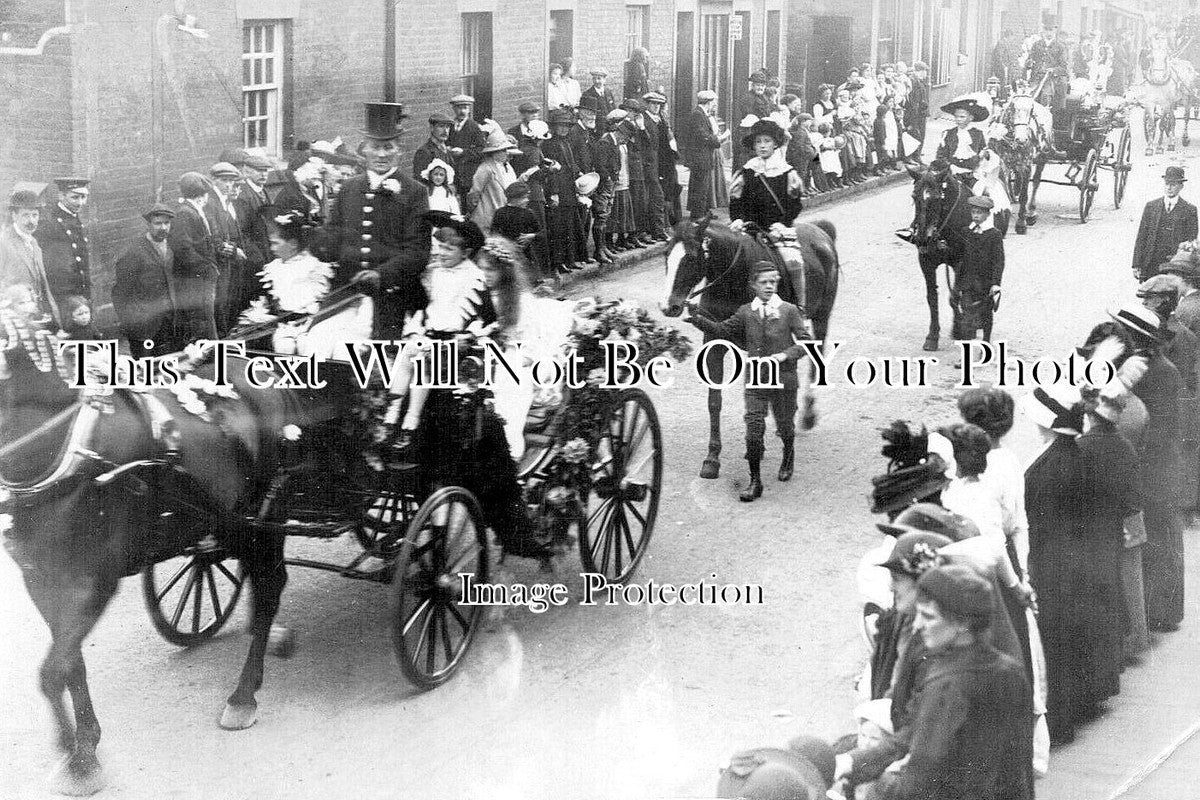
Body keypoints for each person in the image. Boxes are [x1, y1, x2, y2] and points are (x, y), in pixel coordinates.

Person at [857, 564, 1033, 800]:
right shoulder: (1010, 670)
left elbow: (920, 778)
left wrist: (880, 787)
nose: (919, 625)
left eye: (929, 616)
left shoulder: (947, 683)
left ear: (962, 623)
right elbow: (1017, 763)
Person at [685, 261, 808, 501]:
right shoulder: (745, 312)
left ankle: (788, 454)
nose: (769, 287)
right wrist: (696, 318)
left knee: (784, 426)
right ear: (753, 285)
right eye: (764, 283)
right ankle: (755, 481)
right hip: (756, 380)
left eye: (773, 281)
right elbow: (722, 331)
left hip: (784, 379)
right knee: (753, 430)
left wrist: (785, 355)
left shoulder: (789, 310)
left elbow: (806, 343)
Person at [382, 211, 496, 452]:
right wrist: (414, 331)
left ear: (465, 252)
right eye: (439, 247)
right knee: (406, 356)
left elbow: (486, 317)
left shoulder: (474, 277)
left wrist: (470, 335)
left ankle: (409, 425)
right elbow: (421, 309)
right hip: (429, 336)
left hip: (455, 344)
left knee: (423, 363)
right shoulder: (434, 273)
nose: (440, 254)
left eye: (448, 250)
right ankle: (391, 417)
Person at [1108, 302, 1186, 633]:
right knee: (1155, 539)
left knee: (1161, 539)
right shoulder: (1144, 366)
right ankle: (1156, 610)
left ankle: (1163, 613)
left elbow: (1162, 429)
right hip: (1151, 466)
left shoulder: (1162, 373)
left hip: (1156, 470)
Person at [325, 101, 431, 339]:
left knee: (364, 352)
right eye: (375, 147)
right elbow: (333, 238)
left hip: (393, 293)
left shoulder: (414, 192)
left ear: (398, 150)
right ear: (365, 150)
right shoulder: (349, 188)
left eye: (388, 147)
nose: (381, 154)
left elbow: (418, 252)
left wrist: (382, 274)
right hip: (346, 290)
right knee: (317, 341)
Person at [245, 207, 373, 359]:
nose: (272, 248)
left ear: (293, 244)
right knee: (284, 346)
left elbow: (326, 301)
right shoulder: (272, 269)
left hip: (311, 321)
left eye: (276, 243)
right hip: (284, 324)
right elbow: (267, 300)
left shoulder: (316, 267)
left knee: (306, 345)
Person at [112, 203, 181, 358]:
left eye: (166, 223)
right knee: (143, 370)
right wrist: (130, 320)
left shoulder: (171, 246)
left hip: (167, 320)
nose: (163, 227)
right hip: (142, 325)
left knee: (165, 365)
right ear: (148, 224)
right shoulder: (134, 252)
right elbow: (120, 292)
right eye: (158, 223)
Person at [167, 172, 219, 343]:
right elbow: (182, 248)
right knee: (201, 321)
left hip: (197, 278)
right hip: (194, 280)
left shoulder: (190, 211)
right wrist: (206, 268)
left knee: (203, 320)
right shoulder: (185, 213)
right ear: (201, 196)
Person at [727, 118, 803, 232]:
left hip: (778, 230)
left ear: (775, 144)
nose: (762, 146)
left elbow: (794, 204)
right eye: (758, 142)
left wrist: (783, 224)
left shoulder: (786, 171)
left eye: (767, 141)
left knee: (787, 250)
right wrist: (737, 219)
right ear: (754, 145)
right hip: (750, 229)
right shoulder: (748, 170)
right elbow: (736, 201)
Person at [0, 188, 59, 327]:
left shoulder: (33, 242)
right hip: (14, 318)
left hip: (34, 314)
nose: (31, 221)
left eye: (35, 215)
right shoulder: (3, 242)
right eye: (25, 215)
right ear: (14, 215)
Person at [951, 196, 1004, 346]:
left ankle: (986, 344)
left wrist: (996, 283)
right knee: (967, 318)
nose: (975, 215)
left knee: (986, 317)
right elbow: (957, 254)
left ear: (987, 214)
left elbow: (999, 261)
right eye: (973, 212)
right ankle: (966, 353)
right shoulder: (966, 232)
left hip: (985, 284)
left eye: (979, 213)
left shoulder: (994, 234)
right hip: (967, 283)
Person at [1132, 167, 1198, 282]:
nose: (1169, 187)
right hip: (1151, 264)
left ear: (1181, 186)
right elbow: (1141, 237)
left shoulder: (1189, 210)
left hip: (1175, 267)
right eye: (1167, 183)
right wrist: (1137, 264)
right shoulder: (1151, 207)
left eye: (1173, 184)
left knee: (1171, 297)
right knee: (1149, 296)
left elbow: (1191, 241)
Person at [34, 177, 92, 309]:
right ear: (61, 196)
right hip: (62, 292)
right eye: (75, 197)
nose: (80, 202)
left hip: (79, 290)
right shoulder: (49, 221)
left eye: (83, 197)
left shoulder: (74, 216)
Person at [543, 108, 585, 275]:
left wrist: (579, 172)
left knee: (570, 225)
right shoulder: (549, 144)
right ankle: (559, 262)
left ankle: (571, 259)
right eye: (561, 126)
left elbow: (570, 163)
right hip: (558, 189)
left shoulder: (566, 143)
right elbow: (551, 169)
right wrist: (554, 192)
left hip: (568, 188)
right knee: (559, 227)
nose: (564, 129)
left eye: (567, 126)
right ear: (554, 127)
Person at [469, 127, 523, 236]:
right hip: (487, 217)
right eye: (503, 150)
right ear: (494, 152)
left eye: (505, 149)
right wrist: (474, 211)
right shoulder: (485, 168)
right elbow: (474, 193)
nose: (506, 153)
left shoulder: (508, 167)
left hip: (503, 217)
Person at [684, 90, 728, 219]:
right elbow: (701, 136)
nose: (715, 104)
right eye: (713, 102)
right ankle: (697, 215)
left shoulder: (701, 113)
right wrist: (718, 139)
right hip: (700, 158)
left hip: (703, 157)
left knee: (703, 187)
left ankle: (702, 213)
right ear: (708, 102)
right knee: (700, 188)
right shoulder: (698, 114)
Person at [490, 182, 543, 276]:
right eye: (524, 197)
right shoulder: (500, 213)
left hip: (527, 256)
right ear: (515, 198)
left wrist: (532, 236)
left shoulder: (528, 213)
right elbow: (494, 235)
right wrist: (507, 245)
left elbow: (542, 233)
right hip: (507, 256)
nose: (527, 200)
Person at [936, 99, 988, 183]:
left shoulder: (978, 134)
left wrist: (981, 158)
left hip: (973, 174)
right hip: (952, 174)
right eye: (956, 116)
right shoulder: (948, 134)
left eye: (962, 117)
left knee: (981, 191)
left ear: (970, 118)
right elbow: (941, 154)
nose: (958, 119)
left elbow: (982, 153)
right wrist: (949, 166)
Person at [447, 94, 488, 201]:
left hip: (467, 173)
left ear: (469, 109)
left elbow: (482, 150)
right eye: (459, 108)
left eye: (465, 108)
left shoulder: (474, 127)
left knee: (466, 202)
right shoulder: (450, 126)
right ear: (454, 109)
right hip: (452, 170)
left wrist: (463, 152)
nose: (462, 111)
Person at [1026, 18, 1070, 110]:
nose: (1048, 32)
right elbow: (1028, 61)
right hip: (1036, 78)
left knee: (1045, 97)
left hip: (1051, 79)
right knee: (1027, 98)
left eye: (1051, 30)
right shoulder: (1036, 44)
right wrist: (1029, 63)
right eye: (1046, 29)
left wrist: (1053, 70)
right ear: (1043, 30)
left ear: (1055, 30)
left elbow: (1063, 67)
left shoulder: (1060, 46)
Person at [411, 112, 455, 180]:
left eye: (447, 127)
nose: (445, 131)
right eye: (441, 126)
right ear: (432, 128)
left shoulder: (446, 150)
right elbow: (420, 181)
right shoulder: (424, 152)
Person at [903, 63, 930, 163]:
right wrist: (914, 116)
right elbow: (914, 101)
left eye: (925, 71)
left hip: (921, 113)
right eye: (922, 71)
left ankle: (917, 155)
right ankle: (915, 156)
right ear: (917, 71)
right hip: (916, 114)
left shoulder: (919, 81)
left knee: (920, 135)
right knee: (916, 135)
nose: (925, 73)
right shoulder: (913, 82)